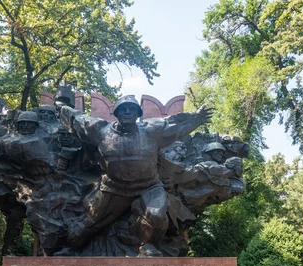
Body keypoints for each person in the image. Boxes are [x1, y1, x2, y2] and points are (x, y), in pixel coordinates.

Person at [60, 95, 212, 256]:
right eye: (123, 109)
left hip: (149, 187)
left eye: (132, 109)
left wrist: (197, 119)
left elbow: (173, 124)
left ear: (138, 114)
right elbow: (78, 120)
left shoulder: (151, 130)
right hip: (114, 187)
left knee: (156, 214)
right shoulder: (100, 130)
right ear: (116, 113)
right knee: (82, 232)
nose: (127, 112)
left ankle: (148, 246)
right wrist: (61, 107)